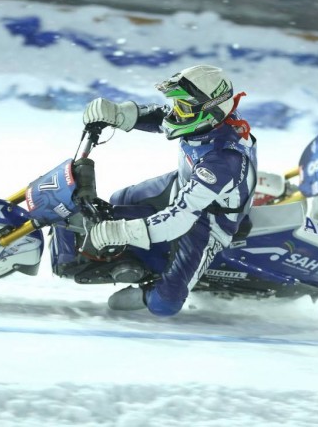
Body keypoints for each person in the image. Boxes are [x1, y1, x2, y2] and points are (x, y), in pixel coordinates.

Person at [80, 65, 257, 316]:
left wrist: (124, 231)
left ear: (208, 111)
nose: (175, 112)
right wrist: (118, 113)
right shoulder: (212, 120)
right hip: (185, 184)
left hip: (208, 219)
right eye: (177, 104)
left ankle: (150, 282)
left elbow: (180, 218)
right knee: (119, 200)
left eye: (182, 107)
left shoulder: (222, 160)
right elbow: (164, 118)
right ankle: (137, 250)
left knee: (165, 304)